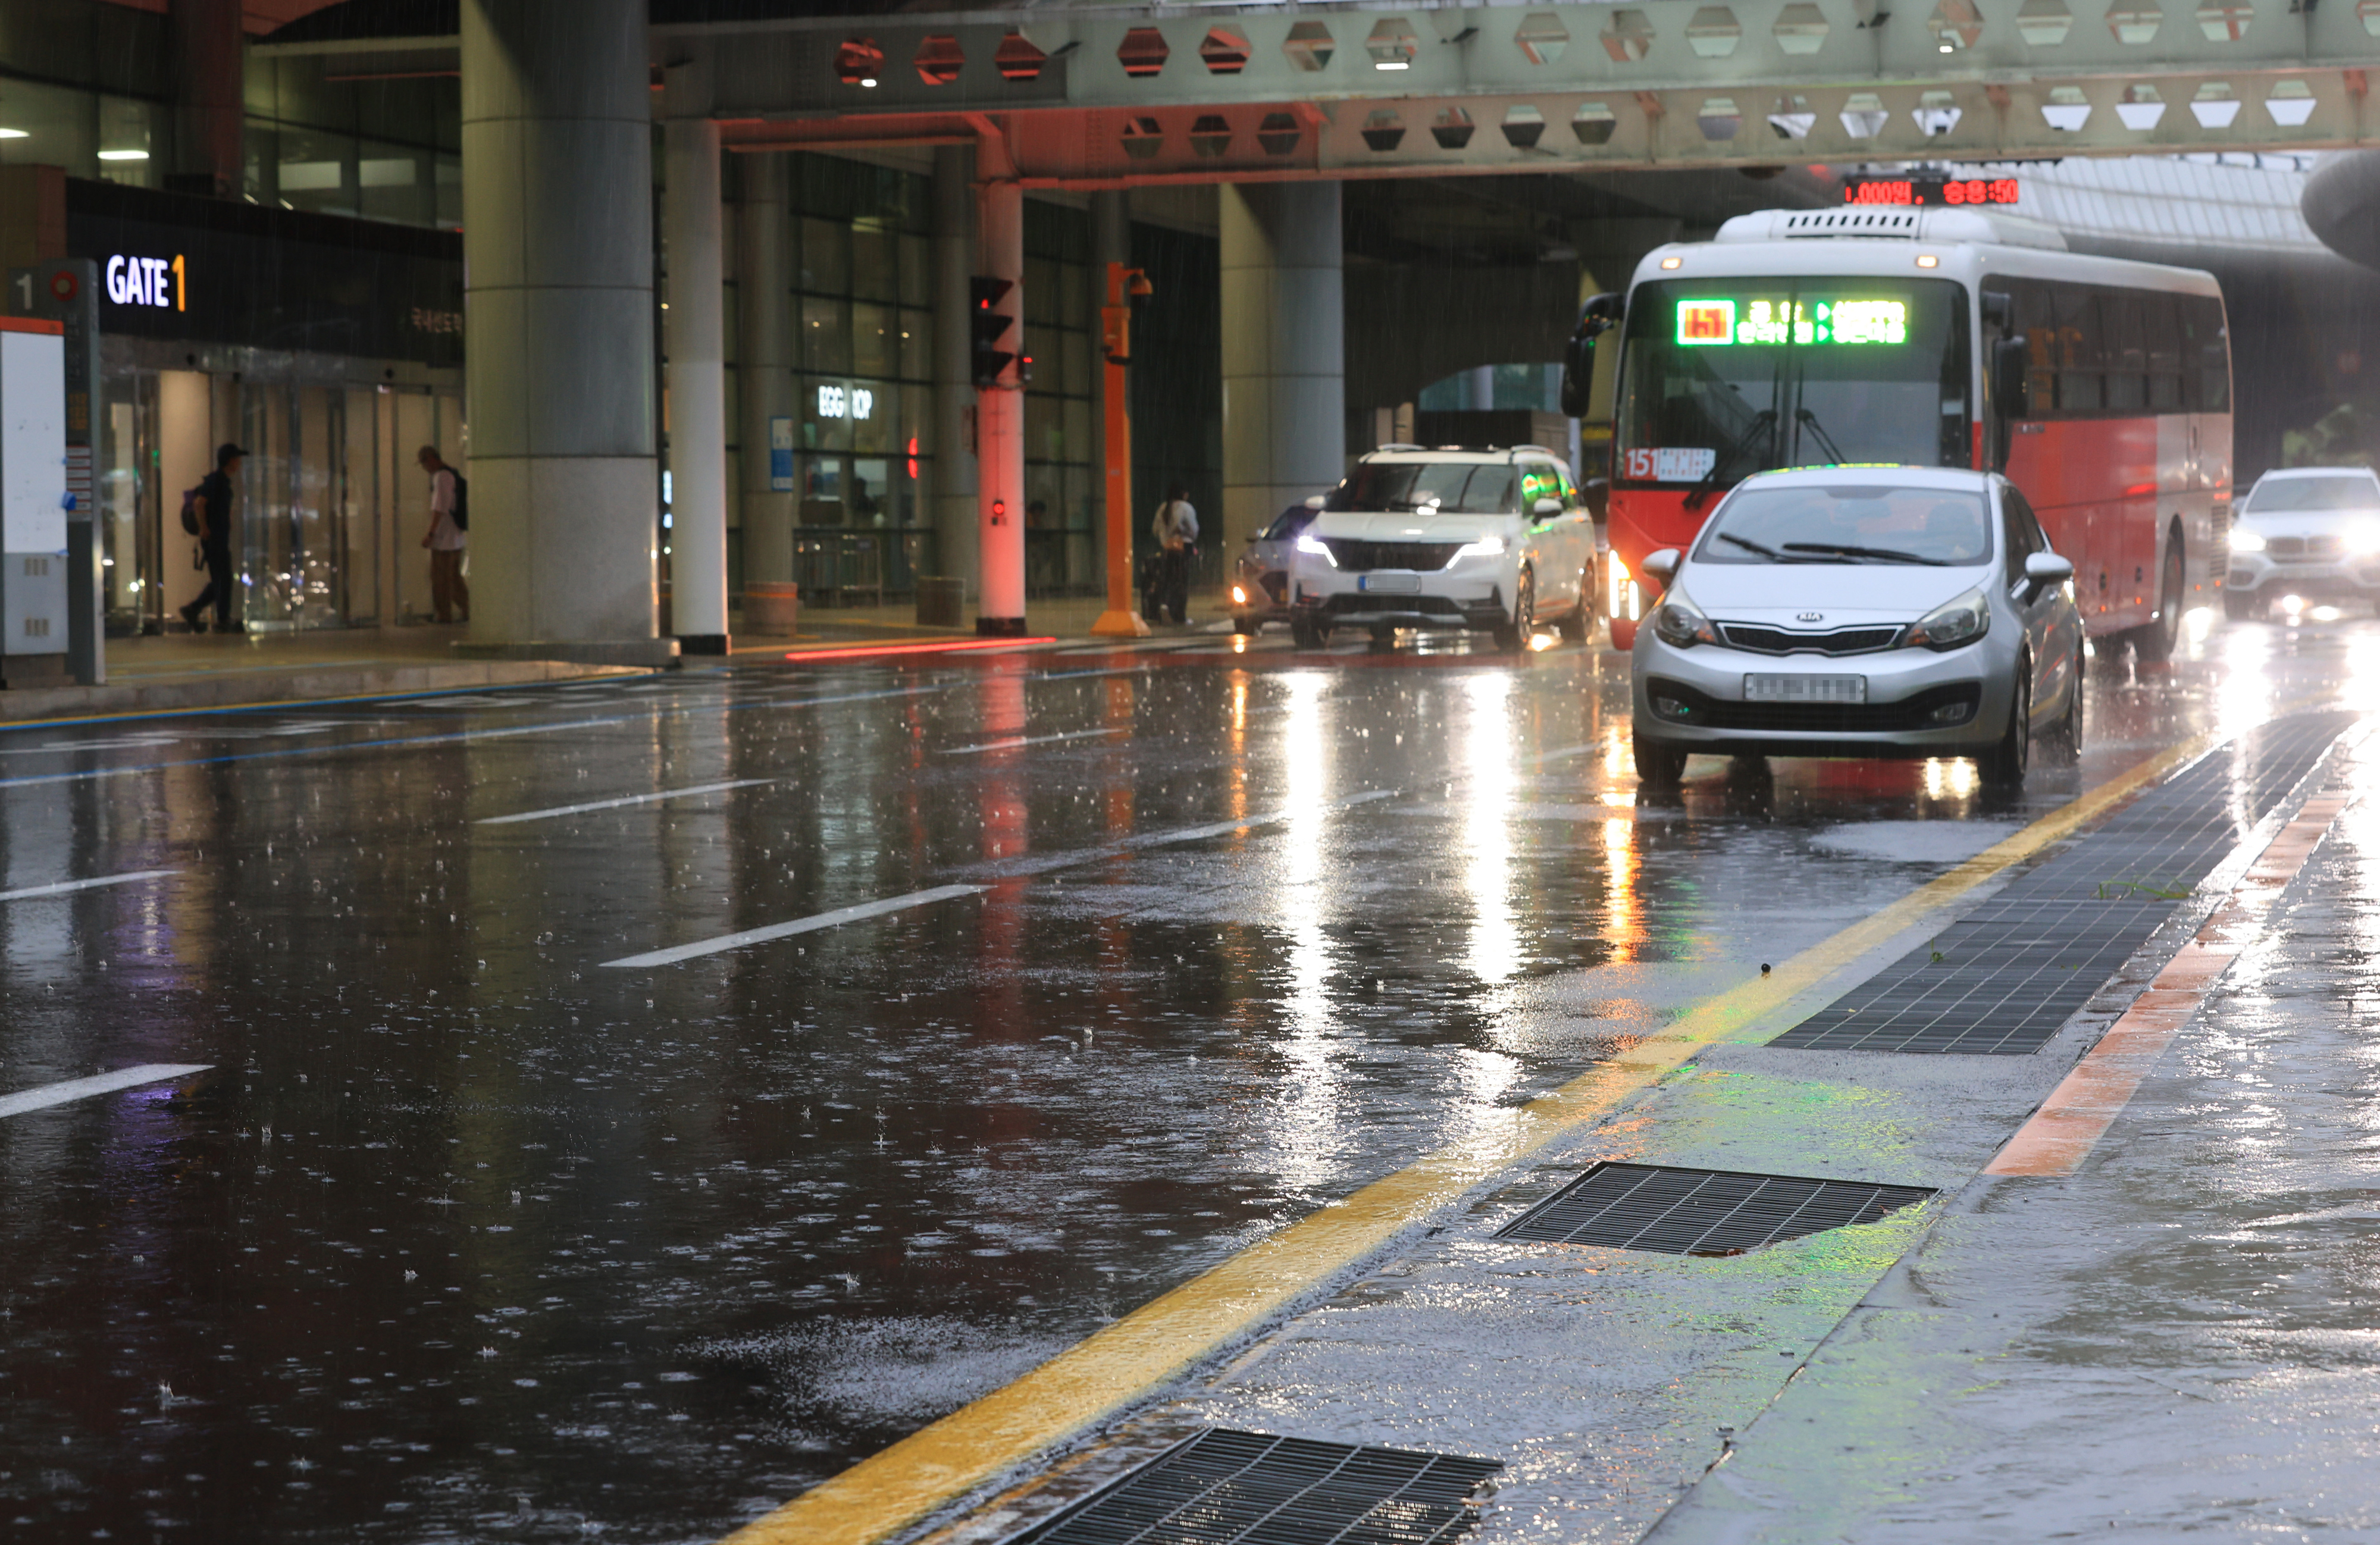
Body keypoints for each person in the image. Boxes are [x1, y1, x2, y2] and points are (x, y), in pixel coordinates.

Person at [179, 442, 245, 634]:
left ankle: (194, 609)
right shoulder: (216, 481)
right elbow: (200, 504)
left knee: (221, 579)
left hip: (219, 538)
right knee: (223, 579)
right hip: (214, 538)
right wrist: (204, 529)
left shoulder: (222, 481)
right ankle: (222, 620)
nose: (240, 463)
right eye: (237, 459)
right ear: (231, 461)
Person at [418, 445, 469, 624]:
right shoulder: (452, 473)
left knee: (440, 578)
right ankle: (468, 609)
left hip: (444, 539)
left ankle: (444, 614)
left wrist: (430, 534)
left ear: (430, 459)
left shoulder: (441, 477)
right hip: (456, 537)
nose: (425, 468)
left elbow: (439, 509)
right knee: (454, 578)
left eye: (424, 463)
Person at [1150, 485, 1198, 625]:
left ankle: (1165, 605)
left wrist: (1166, 537)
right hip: (1186, 547)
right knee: (1183, 581)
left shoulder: (1163, 508)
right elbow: (1194, 530)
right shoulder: (1186, 507)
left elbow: (1155, 529)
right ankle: (1180, 616)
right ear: (1183, 494)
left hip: (1167, 547)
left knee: (1168, 579)